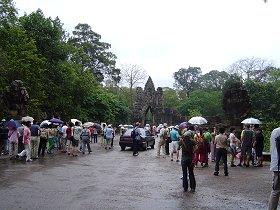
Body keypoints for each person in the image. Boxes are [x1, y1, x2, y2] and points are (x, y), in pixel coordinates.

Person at [268, 127, 280, 210]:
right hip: (278, 165)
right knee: (276, 190)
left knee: (275, 191)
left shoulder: (275, 131)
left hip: (276, 165)